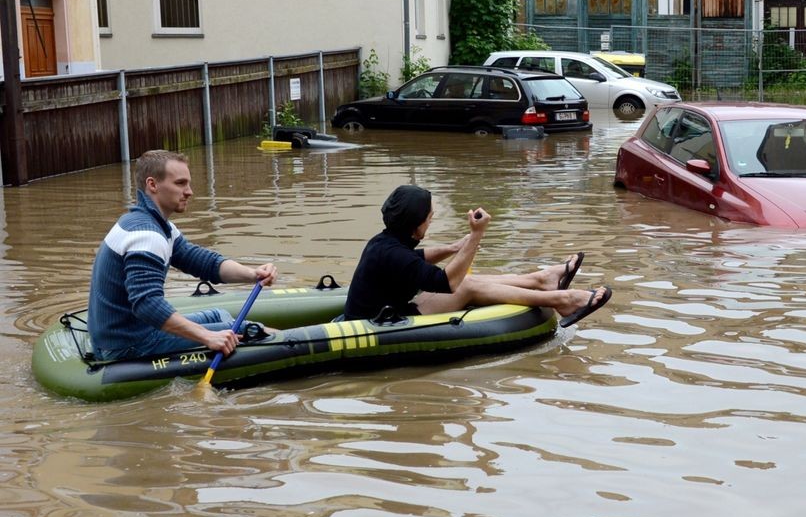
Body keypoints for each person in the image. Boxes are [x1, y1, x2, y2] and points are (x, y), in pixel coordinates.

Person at [87, 150, 278, 361]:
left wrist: (252, 274)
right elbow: (147, 304)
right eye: (180, 183)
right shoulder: (147, 236)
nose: (189, 192)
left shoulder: (149, 224)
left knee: (218, 315)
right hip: (128, 344)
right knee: (246, 330)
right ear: (153, 185)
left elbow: (202, 262)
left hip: (127, 332)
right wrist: (207, 337)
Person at [344, 185, 612, 328]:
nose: (431, 221)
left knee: (469, 278)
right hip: (380, 321)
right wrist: (476, 236)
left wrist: (453, 247)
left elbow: (418, 259)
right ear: (416, 225)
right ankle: (563, 299)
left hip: (387, 308)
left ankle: (542, 279)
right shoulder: (392, 253)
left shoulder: (386, 241)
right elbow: (449, 283)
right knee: (466, 283)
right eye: (429, 218)